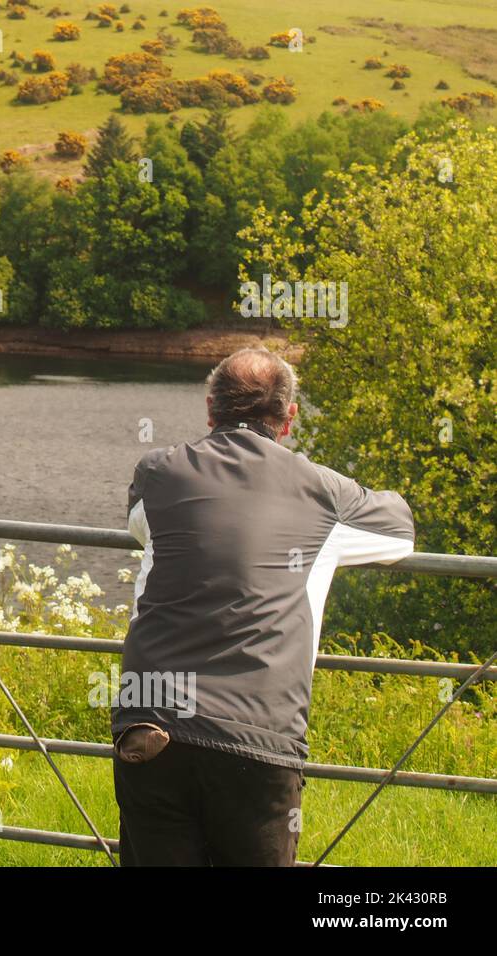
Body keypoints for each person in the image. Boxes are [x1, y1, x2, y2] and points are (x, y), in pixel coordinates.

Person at [112, 347, 415, 866]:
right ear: (289, 417)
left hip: (151, 719)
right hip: (257, 735)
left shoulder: (158, 472)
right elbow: (400, 532)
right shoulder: (325, 492)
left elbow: (142, 526)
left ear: (211, 410)